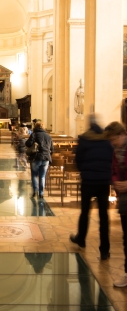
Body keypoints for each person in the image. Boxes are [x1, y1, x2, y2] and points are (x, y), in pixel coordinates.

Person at [70, 115, 113, 261]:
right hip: (103, 182)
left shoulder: (84, 139)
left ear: (89, 125)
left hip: (88, 181)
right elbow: (111, 159)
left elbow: (78, 159)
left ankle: (81, 239)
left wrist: (84, 171)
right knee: (103, 216)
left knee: (85, 212)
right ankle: (104, 249)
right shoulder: (107, 140)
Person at [104, 121, 127, 287]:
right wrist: (115, 182)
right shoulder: (116, 151)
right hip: (124, 199)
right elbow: (112, 170)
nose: (112, 144)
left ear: (121, 135)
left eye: (113, 140)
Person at [25, 121, 53, 199]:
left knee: (34, 175)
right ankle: (41, 193)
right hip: (46, 158)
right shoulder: (48, 136)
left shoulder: (34, 134)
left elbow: (27, 144)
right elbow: (52, 149)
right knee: (42, 176)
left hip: (35, 157)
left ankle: (35, 191)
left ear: (35, 127)